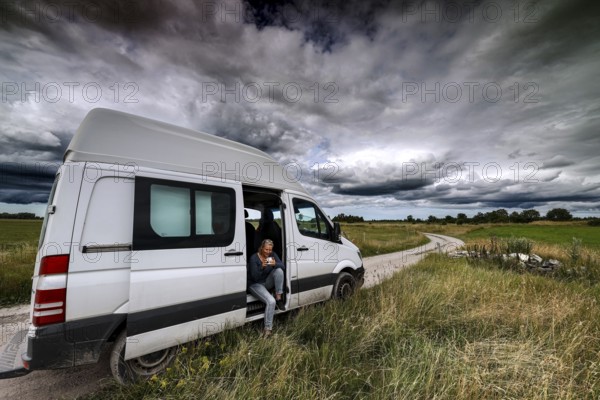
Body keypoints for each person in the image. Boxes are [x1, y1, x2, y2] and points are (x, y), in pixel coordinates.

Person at [248, 239, 285, 337]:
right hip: (255, 284)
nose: (268, 252)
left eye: (270, 250)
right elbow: (255, 278)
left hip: (266, 282)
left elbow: (283, 266)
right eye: (266, 250)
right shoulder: (254, 258)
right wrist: (262, 267)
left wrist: (274, 264)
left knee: (279, 270)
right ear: (261, 248)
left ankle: (279, 297)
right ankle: (268, 330)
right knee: (271, 301)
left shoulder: (272, 255)